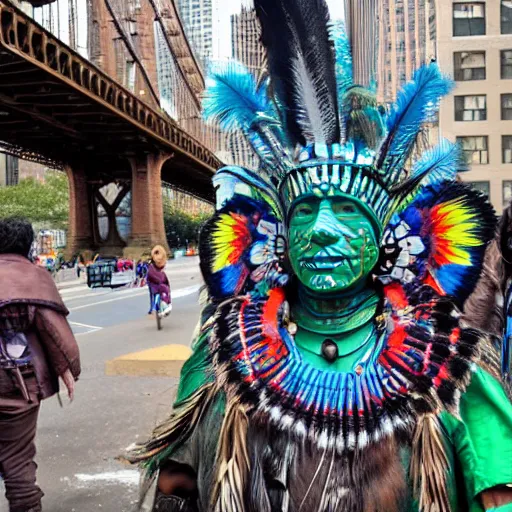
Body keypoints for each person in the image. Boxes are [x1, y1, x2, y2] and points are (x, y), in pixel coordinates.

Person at [125, 2, 512, 511]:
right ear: (275, 234)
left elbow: (499, 487)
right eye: (305, 209)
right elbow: (178, 487)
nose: (323, 230)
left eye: (348, 211)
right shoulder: (221, 356)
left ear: (392, 237)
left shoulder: (452, 363)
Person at [0, 218, 81, 512]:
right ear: (28, 244)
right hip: (16, 385)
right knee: (17, 457)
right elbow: (54, 332)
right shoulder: (35, 277)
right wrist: (69, 370)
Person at [148, 246, 172, 318]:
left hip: (158, 282)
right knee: (155, 293)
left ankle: (163, 306)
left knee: (164, 291)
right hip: (154, 282)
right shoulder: (152, 265)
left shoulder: (160, 266)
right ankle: (153, 308)